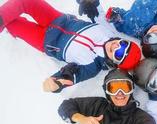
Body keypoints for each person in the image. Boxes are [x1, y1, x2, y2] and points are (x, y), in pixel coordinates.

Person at [0, 0, 141, 93]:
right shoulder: (109, 31)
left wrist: (56, 83)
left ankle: (11, 27)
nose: (117, 46)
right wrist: (90, 3)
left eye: (119, 54)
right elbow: (97, 12)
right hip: (57, 19)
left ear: (114, 63)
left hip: (46, 41)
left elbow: (70, 76)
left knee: (11, 23)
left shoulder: (91, 67)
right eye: (123, 44)